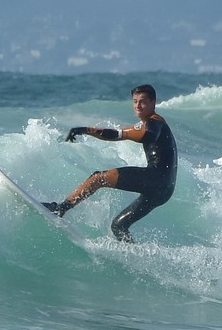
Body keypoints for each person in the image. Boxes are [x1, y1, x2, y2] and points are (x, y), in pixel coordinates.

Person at [42, 84, 177, 242]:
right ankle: (132, 254)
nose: (138, 106)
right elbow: (115, 134)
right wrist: (86, 130)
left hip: (156, 179)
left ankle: (61, 208)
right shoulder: (146, 124)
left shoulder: (155, 123)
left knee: (98, 178)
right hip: (165, 190)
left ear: (153, 103)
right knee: (119, 226)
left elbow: (149, 135)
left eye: (143, 102)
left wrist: (126, 133)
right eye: (135, 101)